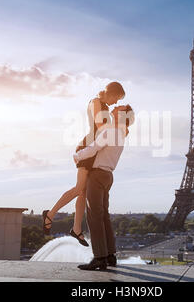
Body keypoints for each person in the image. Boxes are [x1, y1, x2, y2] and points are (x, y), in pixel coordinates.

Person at [42, 82, 125, 246]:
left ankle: (76, 229)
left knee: (84, 192)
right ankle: (50, 214)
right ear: (111, 93)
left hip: (94, 149)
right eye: (116, 98)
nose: (116, 102)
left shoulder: (105, 108)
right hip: (87, 147)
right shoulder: (95, 102)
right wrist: (118, 124)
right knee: (80, 188)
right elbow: (100, 126)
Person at [75, 104, 135, 271]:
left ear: (122, 115)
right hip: (108, 176)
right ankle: (110, 255)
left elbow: (93, 148)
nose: (115, 107)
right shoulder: (121, 134)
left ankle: (99, 257)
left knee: (94, 216)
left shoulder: (111, 132)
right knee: (104, 217)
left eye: (119, 107)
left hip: (97, 175)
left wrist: (77, 155)